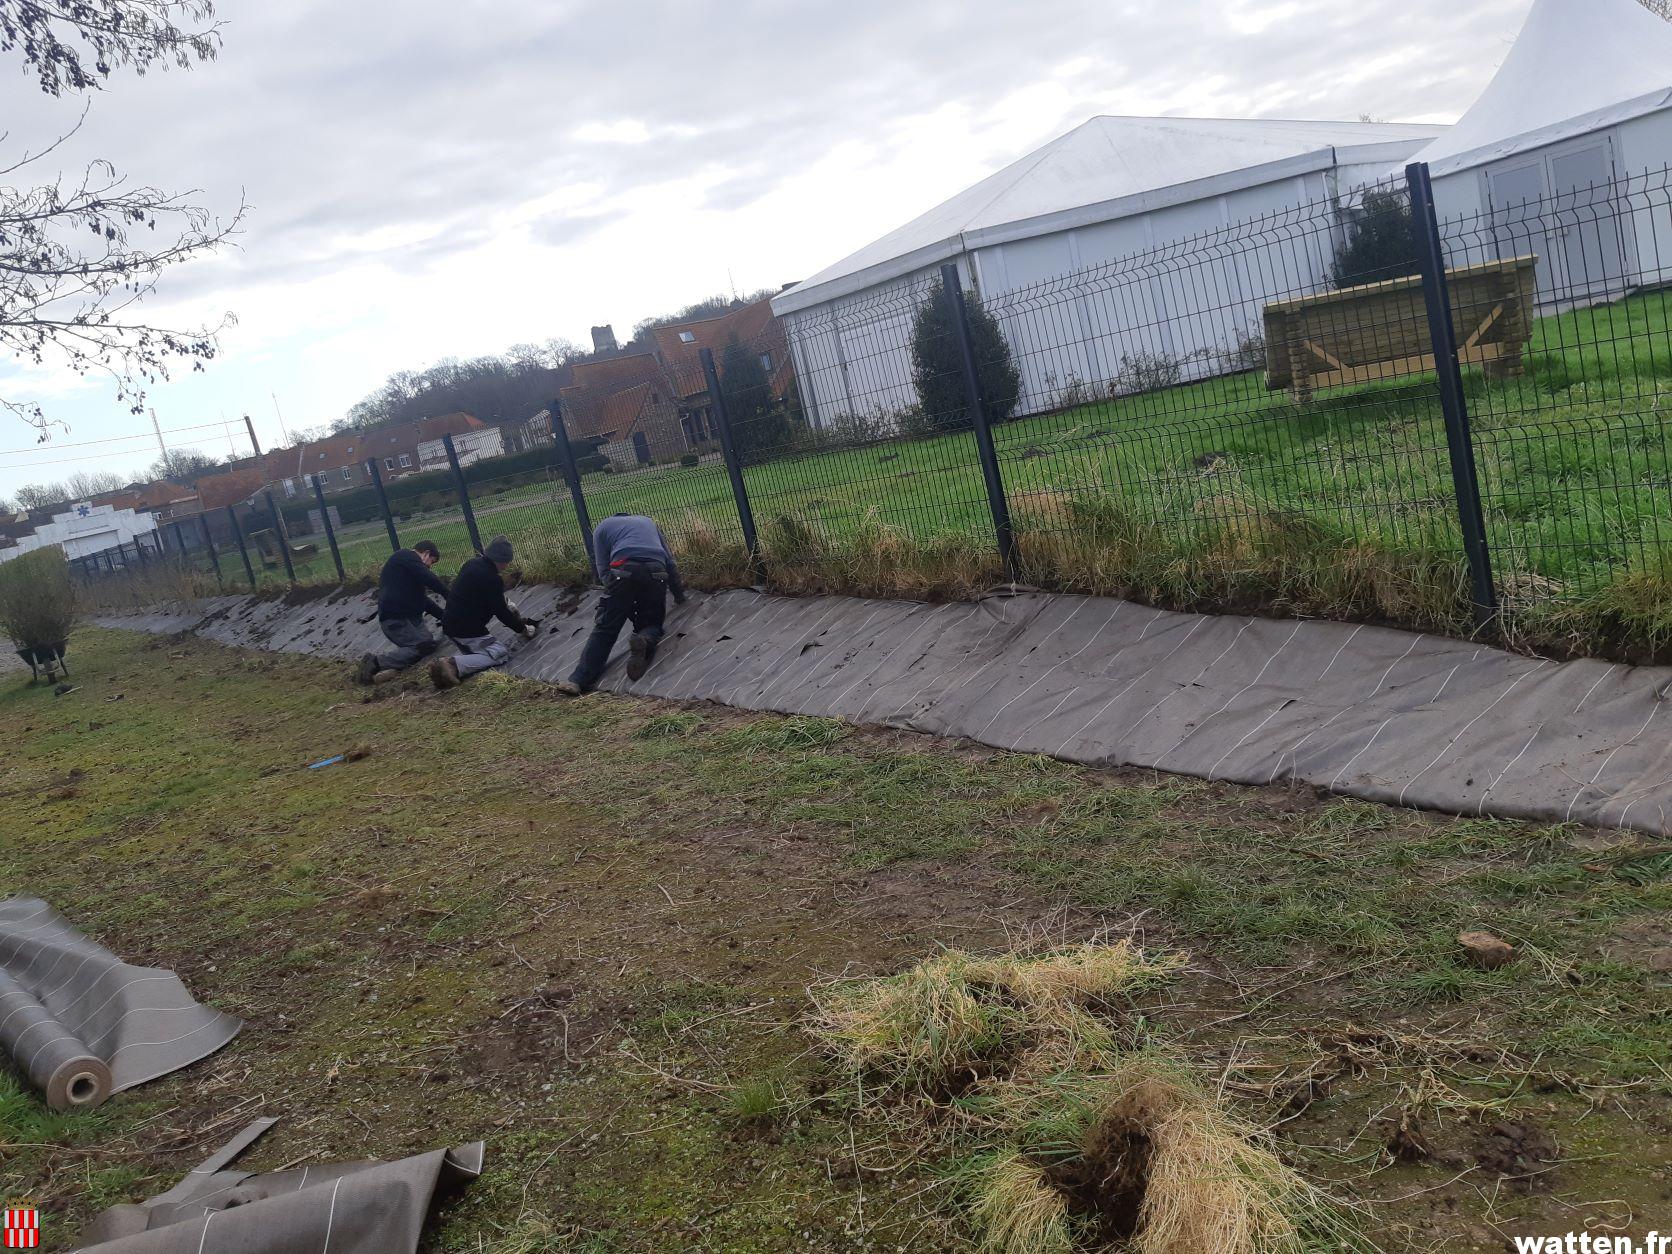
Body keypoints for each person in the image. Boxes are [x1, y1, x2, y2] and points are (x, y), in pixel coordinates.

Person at [556, 513, 686, 696]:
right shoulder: (648, 522)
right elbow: (670, 562)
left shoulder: (602, 528)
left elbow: (602, 569)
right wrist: (679, 595)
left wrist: (619, 601)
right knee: (652, 623)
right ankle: (645, 639)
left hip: (622, 570)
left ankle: (577, 680)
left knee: (606, 628)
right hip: (656, 570)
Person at [429, 535, 539, 689]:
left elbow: (483, 596)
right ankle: (451, 664)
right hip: (468, 631)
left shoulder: (471, 564)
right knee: (499, 653)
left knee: (478, 653)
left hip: (451, 624)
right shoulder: (492, 579)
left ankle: (446, 669)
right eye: (508, 561)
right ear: (504, 561)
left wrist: (507, 604)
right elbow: (501, 613)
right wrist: (523, 629)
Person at [355, 539, 448, 684]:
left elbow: (423, 601)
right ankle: (376, 662)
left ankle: (389, 667)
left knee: (428, 644)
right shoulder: (404, 556)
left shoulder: (409, 574)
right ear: (426, 554)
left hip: (410, 619)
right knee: (421, 648)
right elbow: (430, 579)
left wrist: (445, 616)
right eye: (432, 561)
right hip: (396, 619)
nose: (430, 567)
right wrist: (450, 596)